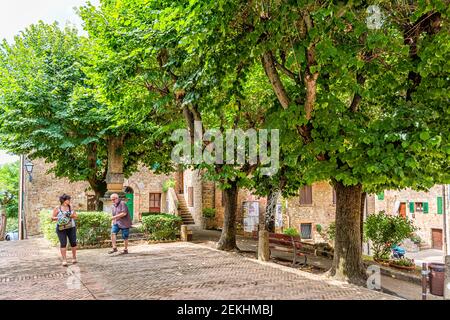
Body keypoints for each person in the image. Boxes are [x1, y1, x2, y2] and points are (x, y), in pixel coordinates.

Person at [52, 194, 78, 266]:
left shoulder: (71, 207)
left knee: (73, 243)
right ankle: (64, 260)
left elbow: (76, 216)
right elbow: (52, 218)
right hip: (61, 228)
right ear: (63, 200)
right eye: (68, 199)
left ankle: (74, 257)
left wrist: (71, 215)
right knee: (63, 243)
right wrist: (60, 218)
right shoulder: (57, 208)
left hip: (71, 227)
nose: (69, 201)